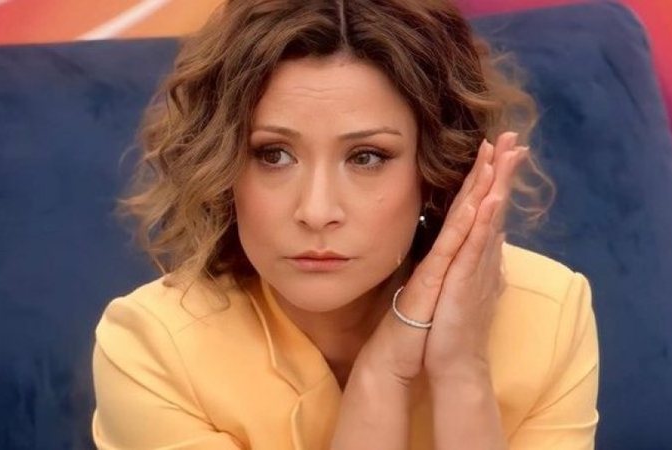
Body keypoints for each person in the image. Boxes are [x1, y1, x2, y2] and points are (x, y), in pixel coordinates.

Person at [91, 0, 600, 448]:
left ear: (437, 170)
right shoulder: (153, 348)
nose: (316, 211)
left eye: (366, 157)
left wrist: (462, 371)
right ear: (220, 167)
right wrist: (382, 375)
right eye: (274, 154)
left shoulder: (547, 316)